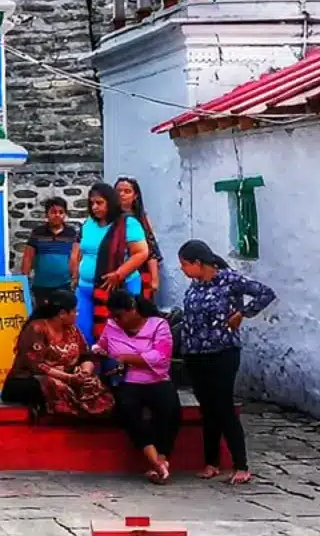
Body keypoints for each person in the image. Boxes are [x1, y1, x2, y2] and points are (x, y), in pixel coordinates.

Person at [171, 240, 275, 484]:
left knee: (224, 407)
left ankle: (241, 464)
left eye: (185, 264)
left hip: (222, 352)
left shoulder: (230, 281)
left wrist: (243, 314)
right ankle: (211, 462)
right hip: (195, 354)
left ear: (198, 263)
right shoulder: (195, 287)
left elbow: (264, 293)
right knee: (208, 409)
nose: (183, 270)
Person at [94, 289, 181, 485]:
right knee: (128, 411)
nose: (117, 320)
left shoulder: (159, 325)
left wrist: (125, 358)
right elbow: (102, 346)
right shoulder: (112, 326)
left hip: (157, 379)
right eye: (113, 316)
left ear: (132, 310)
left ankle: (162, 458)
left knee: (170, 410)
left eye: (120, 316)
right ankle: (154, 460)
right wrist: (100, 354)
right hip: (127, 381)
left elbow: (160, 358)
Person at [1, 288, 114, 419]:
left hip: (68, 375)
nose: (76, 314)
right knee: (55, 386)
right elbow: (37, 366)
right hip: (31, 379)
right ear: (62, 314)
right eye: (74, 311)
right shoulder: (36, 329)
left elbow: (85, 355)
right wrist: (68, 378)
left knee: (91, 383)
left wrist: (85, 372)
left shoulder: (73, 330)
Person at [70, 183, 151, 343]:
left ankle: (116, 366)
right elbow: (79, 251)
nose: (94, 207)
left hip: (119, 287)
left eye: (99, 203)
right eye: (92, 203)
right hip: (86, 287)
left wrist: (119, 274)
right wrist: (75, 276)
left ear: (110, 202)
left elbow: (141, 253)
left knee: (116, 332)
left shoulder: (128, 223)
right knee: (83, 332)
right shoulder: (88, 224)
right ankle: (91, 365)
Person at [19, 197, 80, 303]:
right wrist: (24, 279)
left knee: (62, 315)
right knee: (44, 316)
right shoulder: (38, 233)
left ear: (65, 214)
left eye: (61, 212)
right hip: (41, 285)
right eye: (53, 212)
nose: (57, 215)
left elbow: (75, 257)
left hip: (64, 285)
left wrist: (75, 278)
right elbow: (28, 257)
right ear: (46, 214)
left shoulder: (71, 233)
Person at [115, 177, 163, 302]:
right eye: (119, 191)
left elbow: (151, 249)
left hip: (139, 272)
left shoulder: (141, 219)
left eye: (127, 191)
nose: (122, 194)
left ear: (135, 195)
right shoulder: (109, 219)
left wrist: (155, 279)